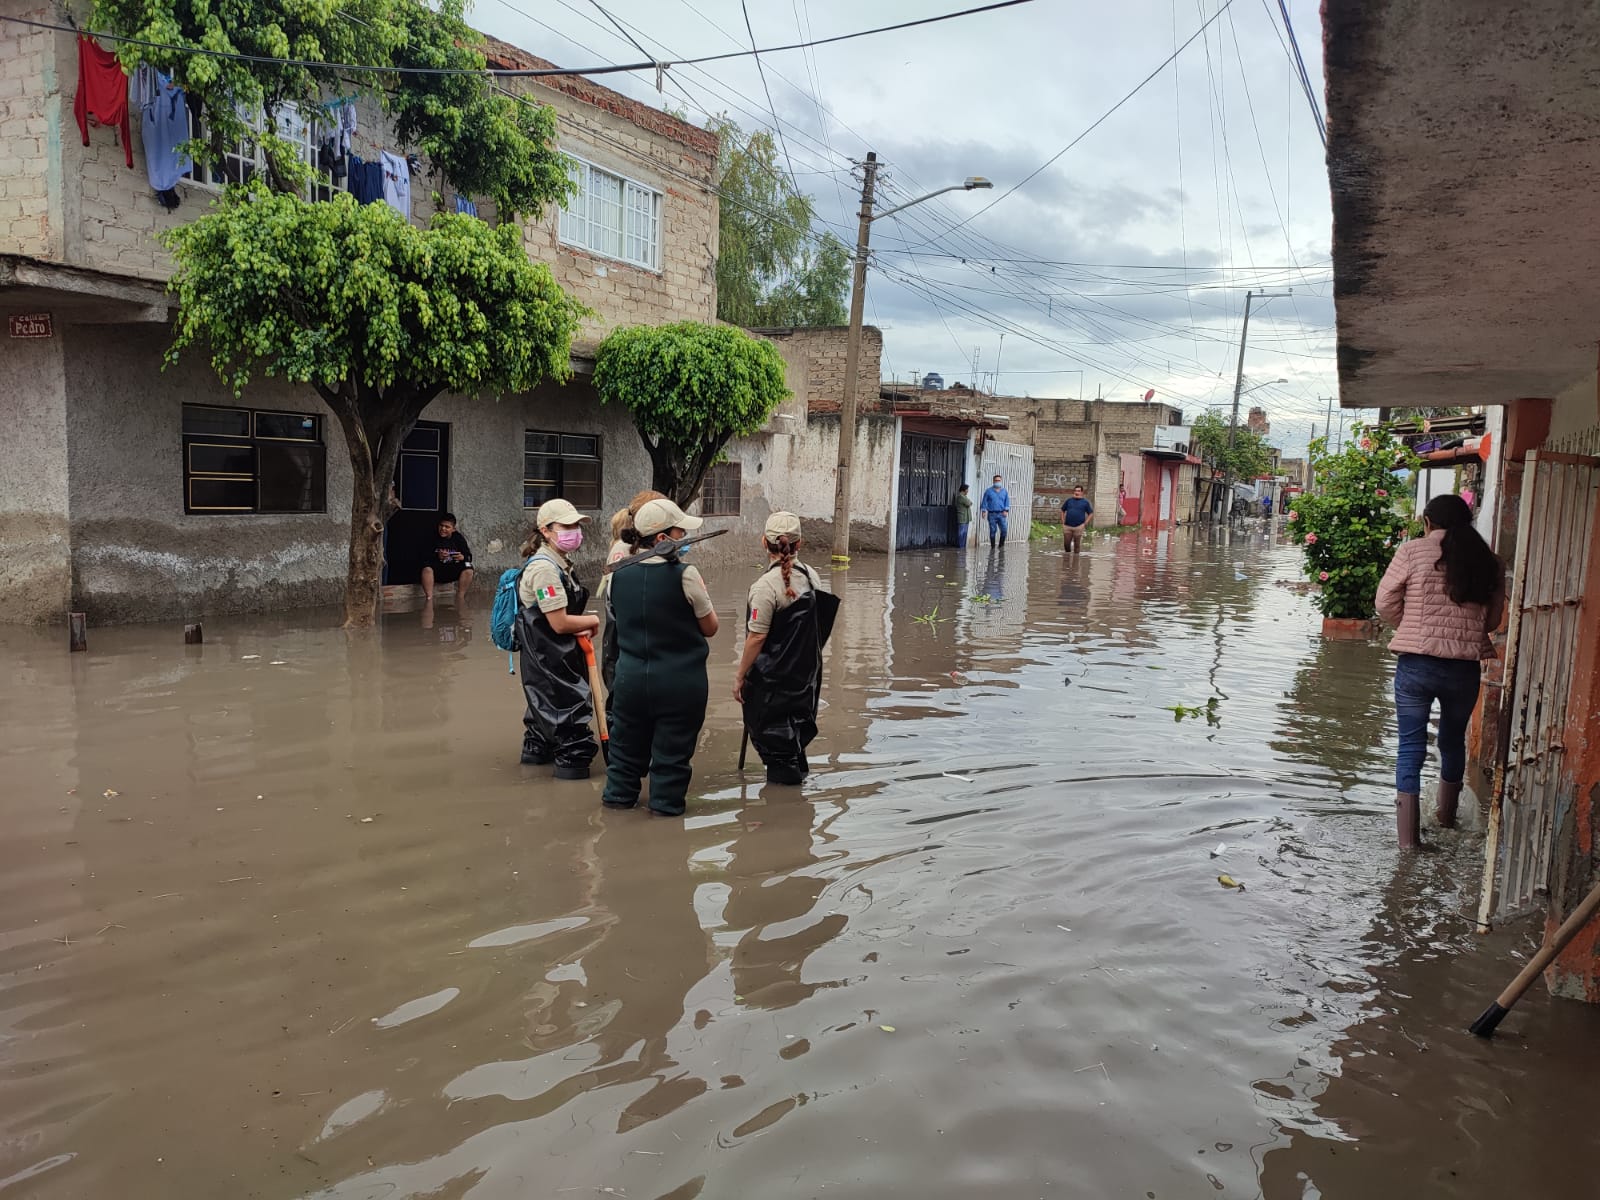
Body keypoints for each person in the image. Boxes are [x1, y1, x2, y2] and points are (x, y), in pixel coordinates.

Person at [1375, 493, 1505, 849]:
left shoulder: (1412, 551)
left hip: (1416, 665)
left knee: (1410, 747)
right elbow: (1492, 621)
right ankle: (1446, 822)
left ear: (1429, 523)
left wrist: (1413, 628)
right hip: (1463, 669)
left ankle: (1408, 844)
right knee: (1451, 742)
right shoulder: (1489, 562)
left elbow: (1384, 602)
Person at [602, 498, 720, 816]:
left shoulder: (617, 575)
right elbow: (710, 627)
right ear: (662, 539)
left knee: (624, 755)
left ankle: (615, 813)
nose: (684, 540)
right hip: (680, 683)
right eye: (680, 533)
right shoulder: (686, 575)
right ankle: (665, 822)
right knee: (671, 759)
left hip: (629, 681)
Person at [733, 513, 829, 786]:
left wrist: (740, 676)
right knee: (794, 743)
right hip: (804, 682)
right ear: (800, 544)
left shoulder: (764, 587)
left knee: (778, 753)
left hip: (773, 686)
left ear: (764, 542)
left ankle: (783, 813)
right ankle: (797, 807)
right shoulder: (812, 577)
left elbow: (756, 638)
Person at [517, 498, 601, 779]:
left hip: (554, 655)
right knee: (569, 724)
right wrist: (592, 620)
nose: (574, 530)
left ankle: (536, 758)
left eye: (576, 525)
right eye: (566, 525)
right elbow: (559, 622)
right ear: (546, 530)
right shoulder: (544, 569)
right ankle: (571, 787)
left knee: (543, 715)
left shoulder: (558, 562)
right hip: (549, 658)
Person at [598, 490, 666, 719]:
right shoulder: (623, 551)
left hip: (637, 640)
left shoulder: (643, 548)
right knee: (621, 703)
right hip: (622, 637)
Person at [422, 512, 474, 604]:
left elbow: (468, 555)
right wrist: (437, 556)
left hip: (452, 569)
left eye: (447, 527)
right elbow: (423, 555)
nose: (443, 529)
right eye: (441, 525)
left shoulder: (458, 538)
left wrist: (462, 557)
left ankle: (460, 597)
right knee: (426, 568)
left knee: (469, 567)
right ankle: (429, 599)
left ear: (453, 529)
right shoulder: (432, 536)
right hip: (436, 570)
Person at [1060, 485, 1093, 553]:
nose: (1076, 492)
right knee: (1066, 544)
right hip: (1067, 526)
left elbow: (1091, 513)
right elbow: (1062, 510)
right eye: (1075, 491)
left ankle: (1076, 561)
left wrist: (1085, 523)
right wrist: (1063, 522)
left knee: (1077, 546)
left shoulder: (1085, 502)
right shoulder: (1069, 501)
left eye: (1078, 491)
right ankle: (1067, 559)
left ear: (1082, 492)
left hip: (1079, 527)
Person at [979, 474, 1010, 547]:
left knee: (1004, 530)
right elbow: (984, 501)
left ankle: (1001, 546)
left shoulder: (1004, 491)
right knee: (993, 531)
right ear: (993, 481)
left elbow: (1007, 501)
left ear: (1001, 481)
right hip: (991, 514)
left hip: (1001, 514)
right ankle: (992, 547)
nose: (997, 482)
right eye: (996, 480)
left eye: (999, 480)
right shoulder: (988, 491)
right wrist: (983, 511)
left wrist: (1006, 510)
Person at [953, 484, 973, 549]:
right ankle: (960, 546)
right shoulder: (960, 497)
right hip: (962, 518)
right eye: (967, 490)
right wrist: (969, 503)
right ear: (963, 490)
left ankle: (963, 546)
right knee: (961, 533)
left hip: (966, 518)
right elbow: (969, 503)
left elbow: (970, 503)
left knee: (964, 533)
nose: (968, 491)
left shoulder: (964, 496)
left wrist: (969, 503)